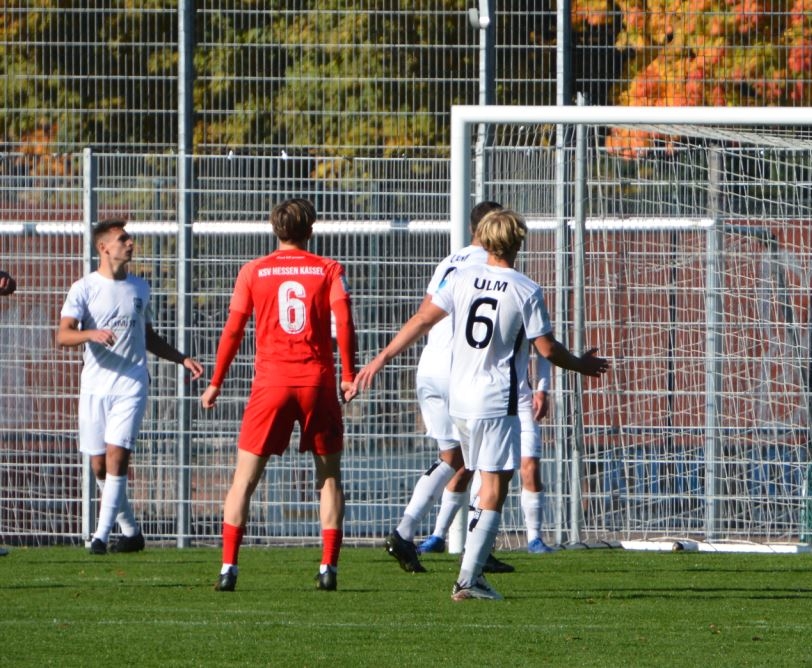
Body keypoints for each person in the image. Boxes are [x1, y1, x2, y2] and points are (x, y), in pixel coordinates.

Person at [355, 209, 608, 601]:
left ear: (485, 240)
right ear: (519, 242)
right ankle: (469, 578)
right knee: (494, 485)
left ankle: (465, 566)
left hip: (459, 399)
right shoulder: (525, 289)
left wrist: (380, 358)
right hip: (494, 399)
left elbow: (422, 319)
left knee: (476, 475)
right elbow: (547, 349)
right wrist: (581, 365)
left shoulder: (461, 277)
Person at [384, 201, 554, 576]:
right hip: (467, 373)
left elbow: (426, 313)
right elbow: (541, 343)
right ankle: (473, 557)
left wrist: (382, 357)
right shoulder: (496, 271)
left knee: (457, 459)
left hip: (430, 369)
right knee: (487, 466)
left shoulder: (450, 262)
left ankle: (410, 531)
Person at [202, 199, 358, 592]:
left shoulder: (253, 270)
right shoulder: (328, 269)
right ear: (311, 230)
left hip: (271, 383)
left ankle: (228, 568)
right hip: (316, 382)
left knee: (244, 479)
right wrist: (348, 374)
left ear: (274, 229)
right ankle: (328, 567)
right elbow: (344, 320)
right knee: (329, 477)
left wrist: (216, 380)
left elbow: (233, 329)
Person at [57, 220, 205, 555]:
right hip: (95, 387)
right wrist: (90, 334)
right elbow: (63, 335)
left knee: (117, 456)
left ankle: (99, 537)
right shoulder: (84, 288)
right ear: (103, 247)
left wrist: (181, 358)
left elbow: (147, 336)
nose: (130, 243)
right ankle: (131, 532)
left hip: (131, 383)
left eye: (130, 238)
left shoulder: (140, 287)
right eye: (123, 239)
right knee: (99, 465)